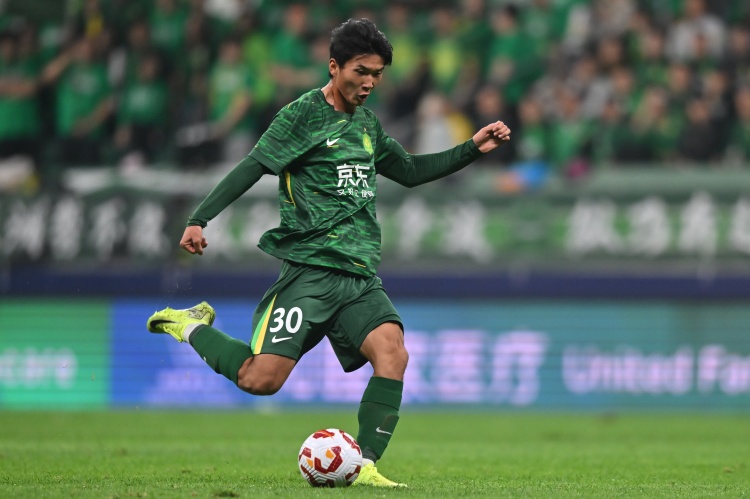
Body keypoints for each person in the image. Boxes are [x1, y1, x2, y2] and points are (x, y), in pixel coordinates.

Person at [146, 18, 510, 488]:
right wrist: (200, 218)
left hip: (359, 274)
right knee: (261, 380)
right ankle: (190, 324)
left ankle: (365, 465)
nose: (370, 82)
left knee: (393, 353)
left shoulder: (367, 124)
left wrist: (472, 149)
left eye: (377, 74)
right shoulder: (301, 116)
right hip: (311, 271)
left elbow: (410, 171)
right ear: (334, 66)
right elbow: (252, 166)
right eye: (362, 71)